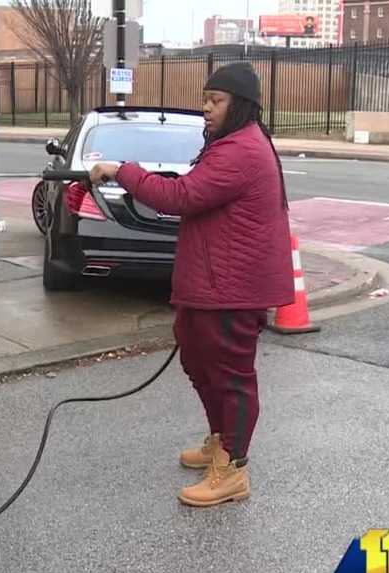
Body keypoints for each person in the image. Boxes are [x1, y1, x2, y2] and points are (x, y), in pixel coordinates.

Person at [89, 62, 294, 508]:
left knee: (230, 376)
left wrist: (123, 171)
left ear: (240, 106)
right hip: (212, 283)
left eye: (215, 100)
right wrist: (139, 177)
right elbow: (191, 187)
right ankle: (220, 441)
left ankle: (233, 469)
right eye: (205, 98)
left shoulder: (240, 150)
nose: (205, 108)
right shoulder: (230, 145)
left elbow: (181, 198)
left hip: (231, 289)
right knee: (201, 364)